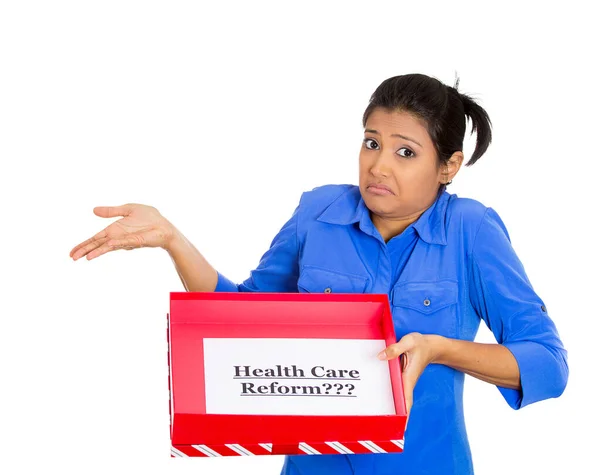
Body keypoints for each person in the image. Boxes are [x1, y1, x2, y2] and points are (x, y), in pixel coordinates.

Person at [69, 73, 568, 474]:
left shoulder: (471, 230)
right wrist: (172, 239)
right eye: (371, 143)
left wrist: (437, 349)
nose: (379, 166)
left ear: (449, 166)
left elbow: (546, 362)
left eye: (406, 152)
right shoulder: (319, 212)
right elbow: (241, 316)